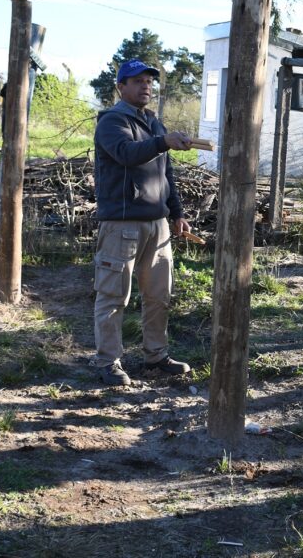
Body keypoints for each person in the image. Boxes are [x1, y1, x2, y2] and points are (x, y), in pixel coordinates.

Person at [92, 59, 194, 386]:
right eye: (137, 81)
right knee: (113, 296)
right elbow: (126, 153)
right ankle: (108, 362)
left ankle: (156, 356)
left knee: (158, 295)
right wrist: (162, 142)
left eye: (149, 81)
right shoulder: (111, 121)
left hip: (158, 224)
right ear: (121, 87)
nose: (145, 86)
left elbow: (167, 174)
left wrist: (176, 212)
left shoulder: (154, 123)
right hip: (122, 225)